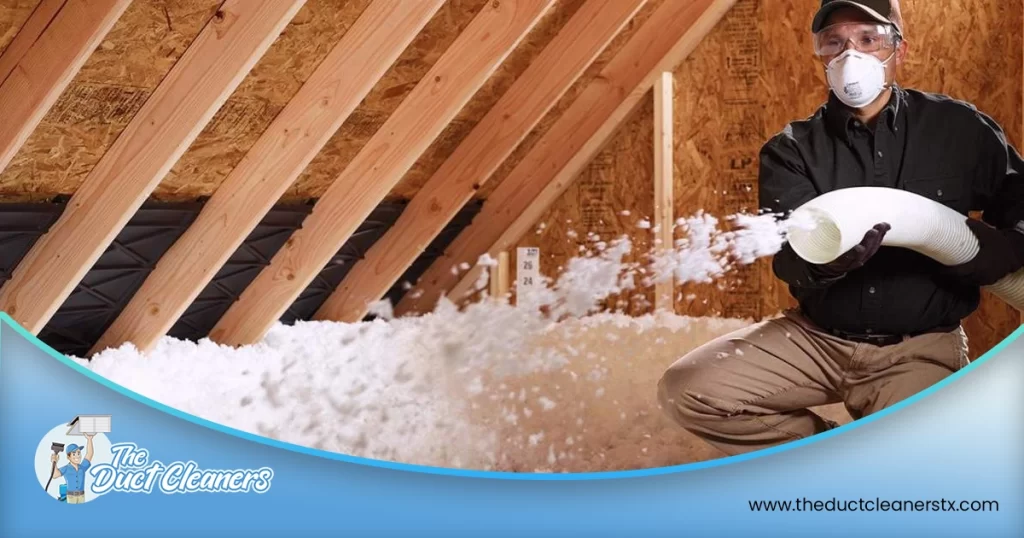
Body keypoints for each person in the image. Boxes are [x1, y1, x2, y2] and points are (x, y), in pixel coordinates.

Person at [657, 0, 1024, 456]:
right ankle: (831, 457)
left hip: (917, 349)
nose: (851, 55)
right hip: (817, 337)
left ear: (898, 50)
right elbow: (788, 260)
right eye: (835, 42)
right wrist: (825, 265)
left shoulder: (959, 129)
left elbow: (1019, 204)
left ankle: (874, 462)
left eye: (868, 39)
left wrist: (998, 248)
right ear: (822, 57)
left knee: (920, 474)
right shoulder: (791, 150)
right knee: (689, 390)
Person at [50, 434, 95, 504]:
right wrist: (54, 461)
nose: (77, 456)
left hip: (81, 496)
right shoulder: (66, 468)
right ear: (68, 457)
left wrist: (89, 439)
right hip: (71, 497)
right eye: (74, 454)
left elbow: (89, 454)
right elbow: (54, 475)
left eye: (79, 453)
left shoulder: (82, 467)